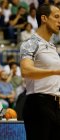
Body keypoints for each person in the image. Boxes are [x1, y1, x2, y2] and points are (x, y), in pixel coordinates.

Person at [20, 4, 60, 140]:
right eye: (56, 17)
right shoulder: (31, 43)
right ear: (44, 18)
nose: (59, 21)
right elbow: (26, 70)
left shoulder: (52, 46)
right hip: (38, 104)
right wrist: (55, 71)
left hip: (55, 105)